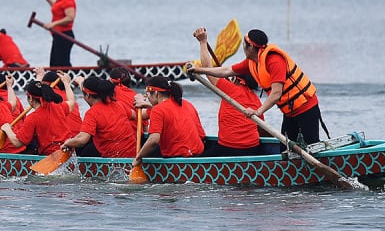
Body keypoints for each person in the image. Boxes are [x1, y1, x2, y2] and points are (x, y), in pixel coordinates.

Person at [189, 27, 323, 146]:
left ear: (251, 47)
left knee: (312, 147)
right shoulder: (251, 63)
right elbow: (226, 70)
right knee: (286, 149)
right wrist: (200, 71)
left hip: (306, 108)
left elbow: (276, 94)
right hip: (289, 112)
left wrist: (258, 112)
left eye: (243, 44)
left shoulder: (274, 60)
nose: (242, 47)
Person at [192, 27, 267, 157]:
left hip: (229, 148)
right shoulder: (256, 100)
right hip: (252, 148)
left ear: (236, 79)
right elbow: (261, 128)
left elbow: (208, 71)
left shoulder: (230, 89)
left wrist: (203, 42)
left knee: (200, 157)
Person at [131, 77, 205, 171]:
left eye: (148, 94)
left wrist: (138, 158)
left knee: (148, 149)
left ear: (156, 93)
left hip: (179, 159)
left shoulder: (158, 110)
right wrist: (142, 103)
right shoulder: (186, 104)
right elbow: (202, 135)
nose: (147, 98)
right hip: (199, 154)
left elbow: (154, 141)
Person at [1, 71, 77, 156]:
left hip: (51, 156)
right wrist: (66, 83)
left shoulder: (32, 118)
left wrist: (7, 129)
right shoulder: (58, 106)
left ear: (30, 98)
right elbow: (72, 102)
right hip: (68, 151)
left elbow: (18, 142)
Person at [60, 76, 138, 157]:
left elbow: (82, 140)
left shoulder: (92, 113)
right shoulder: (118, 104)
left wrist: (67, 143)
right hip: (133, 154)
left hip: (114, 161)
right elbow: (133, 115)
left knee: (82, 149)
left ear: (87, 95)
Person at [36, 0, 77, 67]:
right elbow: (56, 7)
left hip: (65, 35)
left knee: (61, 64)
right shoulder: (62, 0)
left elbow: (70, 17)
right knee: (55, 63)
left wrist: (53, 24)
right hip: (58, 35)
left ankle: (67, 79)